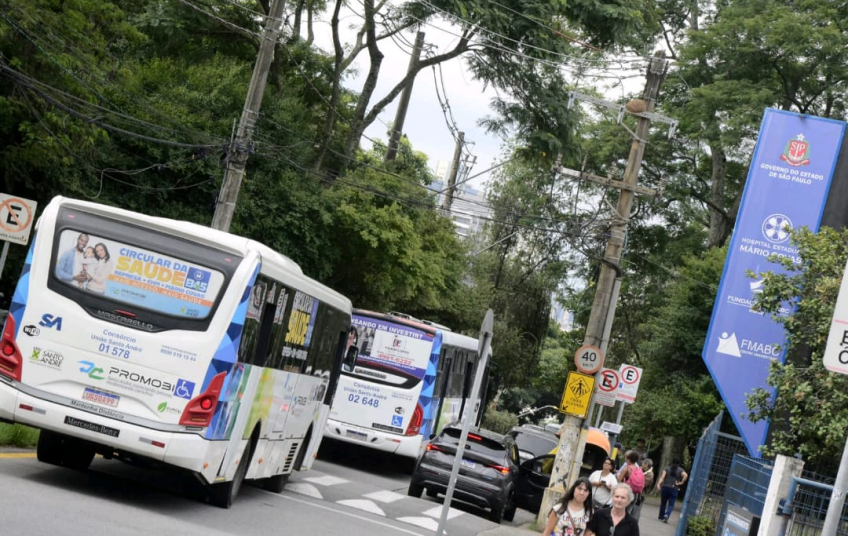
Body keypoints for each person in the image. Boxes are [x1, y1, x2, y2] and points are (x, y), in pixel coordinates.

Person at [656, 457, 688, 523]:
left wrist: (658, 484)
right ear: (679, 463)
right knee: (671, 504)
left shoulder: (667, 469)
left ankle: (661, 517)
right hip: (674, 488)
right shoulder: (680, 470)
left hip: (665, 487)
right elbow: (685, 475)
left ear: (672, 462)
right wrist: (681, 482)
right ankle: (667, 515)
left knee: (663, 503)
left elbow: (662, 477)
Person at [617, 451, 645, 520]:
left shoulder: (626, 468)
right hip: (635, 494)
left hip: (626, 492)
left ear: (628, 459)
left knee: (620, 512)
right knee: (628, 512)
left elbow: (618, 480)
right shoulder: (638, 469)